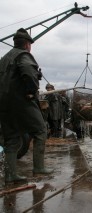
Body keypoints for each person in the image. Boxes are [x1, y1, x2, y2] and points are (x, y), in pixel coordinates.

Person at [0, 28, 53, 183]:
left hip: (3, 104)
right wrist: (31, 90)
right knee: (40, 131)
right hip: (21, 102)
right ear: (27, 44)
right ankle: (39, 168)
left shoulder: (3, 59)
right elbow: (29, 73)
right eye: (30, 44)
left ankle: (10, 175)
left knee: (11, 139)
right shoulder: (23, 55)